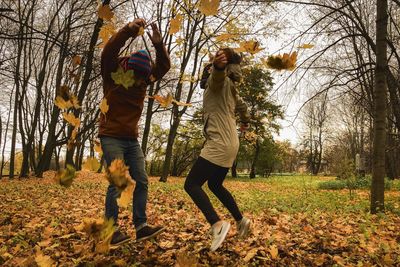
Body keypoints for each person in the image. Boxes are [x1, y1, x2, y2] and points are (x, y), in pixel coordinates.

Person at [99, 18, 170, 247]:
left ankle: (141, 227)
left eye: (144, 78)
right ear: (128, 69)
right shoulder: (113, 71)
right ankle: (111, 231)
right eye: (137, 77)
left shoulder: (144, 79)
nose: (140, 82)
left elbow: (164, 67)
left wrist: (159, 45)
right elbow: (108, 51)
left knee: (141, 180)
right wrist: (128, 31)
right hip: (110, 135)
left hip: (131, 138)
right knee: (118, 182)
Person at [184, 48, 251, 251]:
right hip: (231, 142)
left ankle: (216, 224)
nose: (207, 72)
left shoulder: (218, 83)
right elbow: (242, 106)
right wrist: (246, 121)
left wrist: (218, 67)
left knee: (191, 184)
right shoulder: (231, 87)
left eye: (209, 69)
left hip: (220, 143)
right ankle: (241, 220)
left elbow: (216, 79)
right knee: (214, 184)